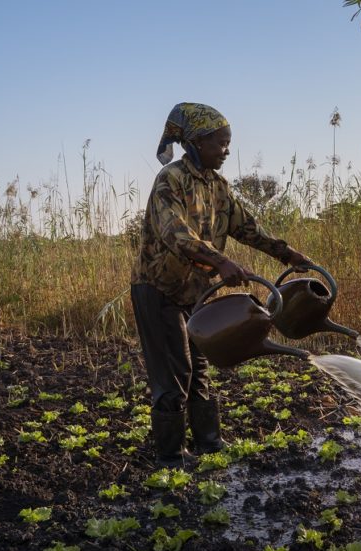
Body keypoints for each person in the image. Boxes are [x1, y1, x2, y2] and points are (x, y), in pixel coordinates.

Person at [131, 102, 311, 466]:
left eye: (228, 144)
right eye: (221, 144)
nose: (227, 151)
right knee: (174, 371)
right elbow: (175, 234)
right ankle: (170, 457)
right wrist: (220, 260)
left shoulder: (218, 186)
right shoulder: (171, 180)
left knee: (199, 368)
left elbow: (247, 228)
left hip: (196, 293)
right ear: (197, 142)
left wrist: (288, 255)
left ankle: (209, 445)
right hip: (159, 289)